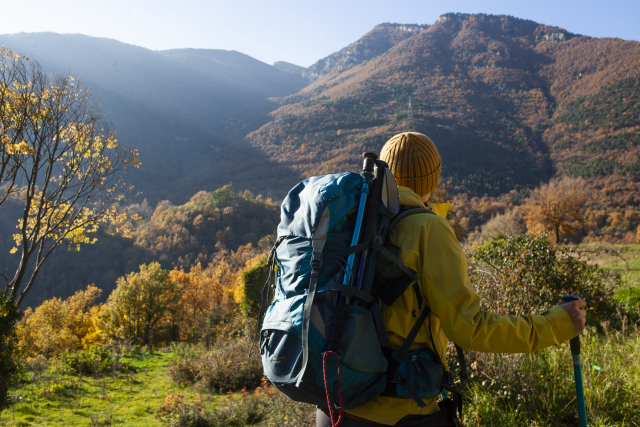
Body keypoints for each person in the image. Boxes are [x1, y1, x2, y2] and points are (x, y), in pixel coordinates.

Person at [317, 132, 587, 427]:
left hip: (333, 405)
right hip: (398, 412)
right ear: (432, 180)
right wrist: (556, 325)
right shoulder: (427, 229)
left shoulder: (352, 220)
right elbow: (472, 329)